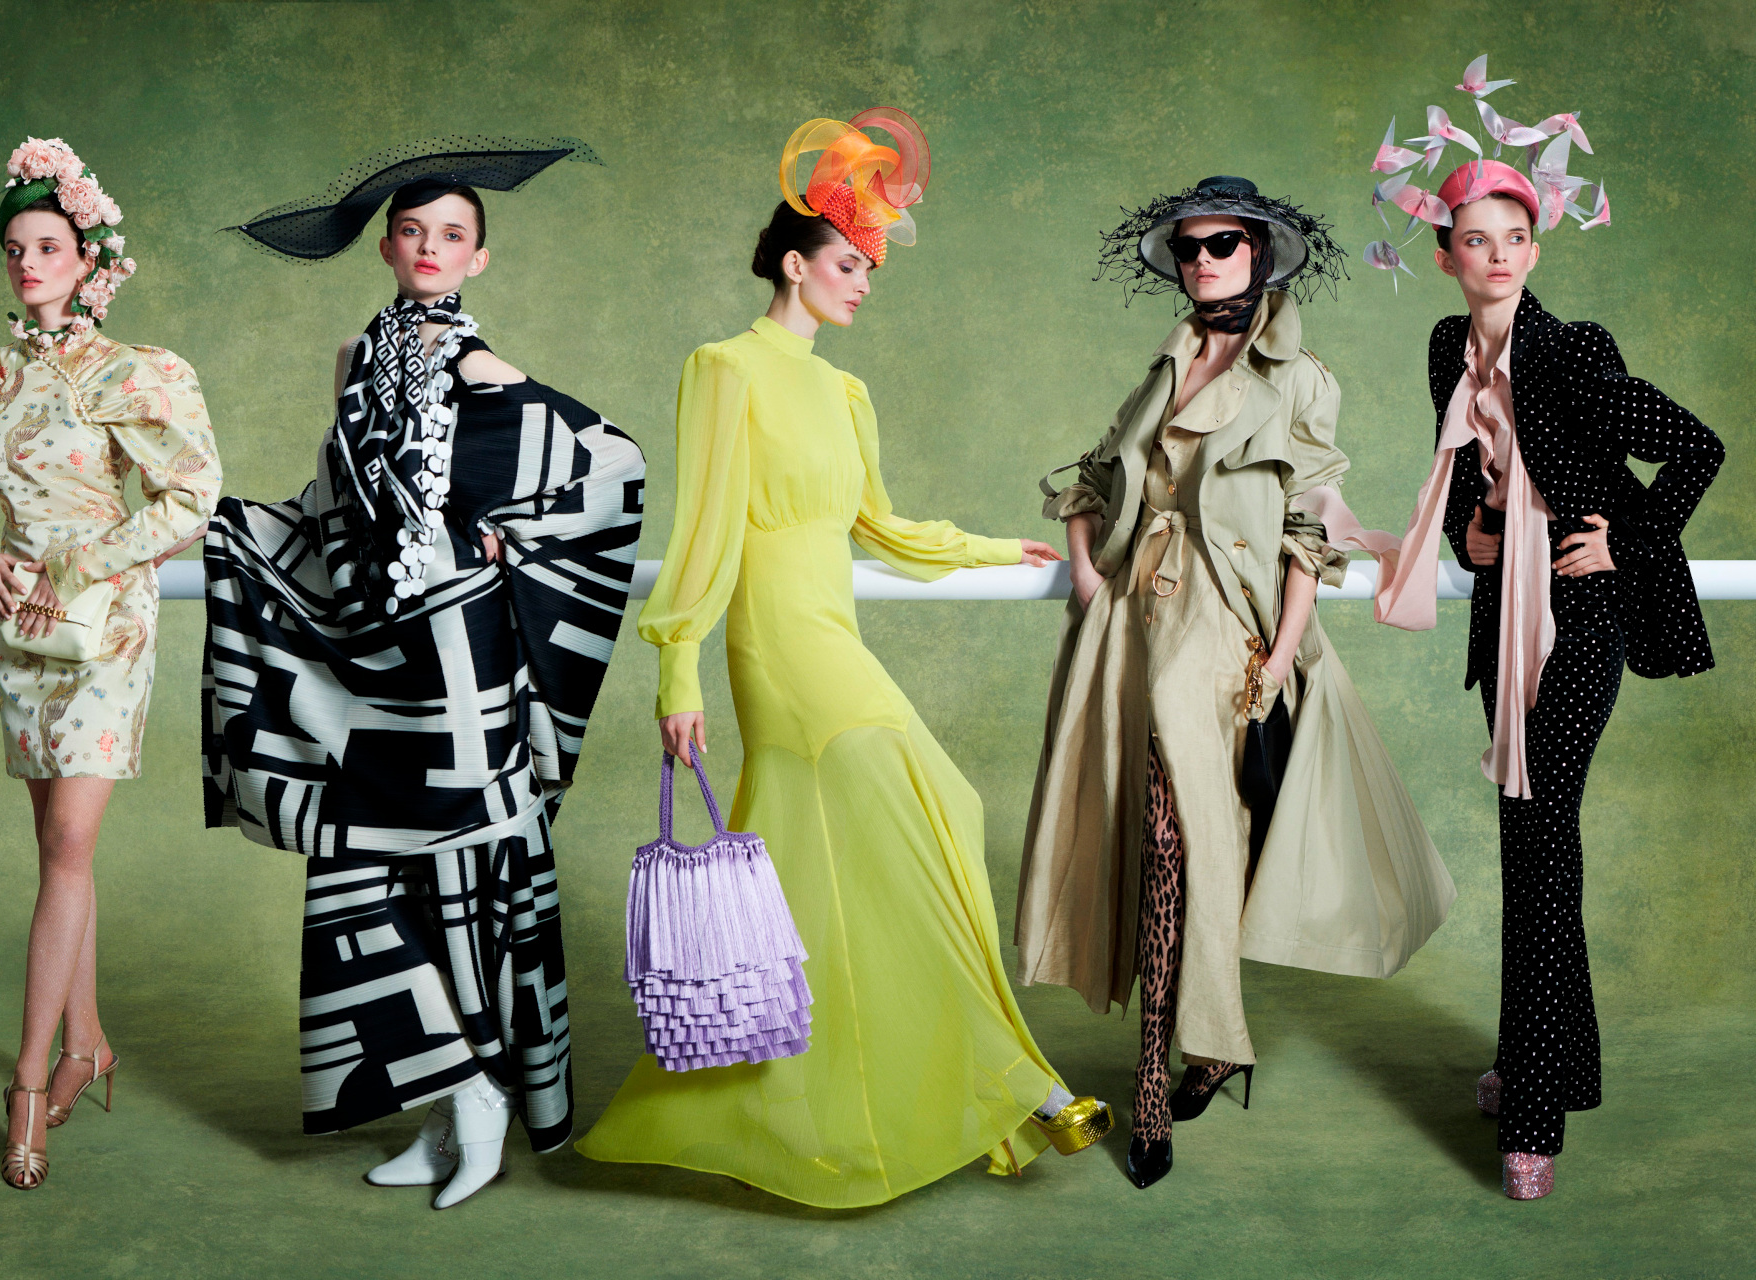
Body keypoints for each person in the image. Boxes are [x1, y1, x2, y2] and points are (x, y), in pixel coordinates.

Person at [576, 110, 1112, 1209]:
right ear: (794, 260)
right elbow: (706, 528)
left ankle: (978, 1079)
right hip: (777, 650)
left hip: (835, 627)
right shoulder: (725, 367)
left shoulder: (845, 390)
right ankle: (1029, 1082)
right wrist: (677, 670)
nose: (863, 282)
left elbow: (879, 524)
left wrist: (984, 547)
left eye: (871, 267)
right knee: (916, 794)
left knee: (917, 828)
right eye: (848, 263)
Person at [203, 138, 643, 1210]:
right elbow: (329, 499)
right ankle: (440, 1107)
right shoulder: (356, 355)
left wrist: (516, 538)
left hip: (462, 657)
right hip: (372, 651)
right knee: (370, 868)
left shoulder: (485, 368)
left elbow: (611, 464)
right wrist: (238, 533)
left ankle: (485, 1095)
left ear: (478, 258)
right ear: (389, 247)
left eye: (453, 235)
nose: (431, 249)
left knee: (463, 873)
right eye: (414, 232)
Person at [1015, 176, 1454, 1189]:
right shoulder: (1165, 361)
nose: (1204, 258)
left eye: (1223, 243)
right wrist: (1086, 564)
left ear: (1262, 253)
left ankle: (1159, 1089)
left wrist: (1278, 651)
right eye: (1190, 246)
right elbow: (1094, 474)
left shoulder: (1303, 379)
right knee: (1154, 830)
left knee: (1179, 835)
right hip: (1133, 619)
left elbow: (1307, 531)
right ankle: (1210, 1047)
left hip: (1225, 627)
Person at [1374, 158, 1722, 1199]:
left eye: (1510, 238)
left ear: (1534, 248)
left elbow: (1697, 447)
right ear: (1445, 255)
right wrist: (1469, 533)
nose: (1493, 256)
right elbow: (1466, 477)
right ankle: (1554, 1065)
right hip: (1504, 616)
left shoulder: (1573, 354)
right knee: (1534, 841)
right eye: (1471, 239)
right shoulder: (1447, 345)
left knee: (1538, 840)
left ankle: (1532, 1117)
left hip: (1580, 617)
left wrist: (1633, 538)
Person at [0, 136, 222, 1189]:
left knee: (71, 839)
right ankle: (90, 1043)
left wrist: (89, 553)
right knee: (55, 849)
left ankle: (29, 1082)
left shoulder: (134, 373)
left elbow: (190, 495)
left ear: (88, 259)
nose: (30, 263)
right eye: (17, 248)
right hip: (22, 620)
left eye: (49, 245)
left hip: (106, 621)